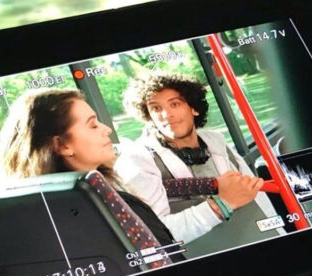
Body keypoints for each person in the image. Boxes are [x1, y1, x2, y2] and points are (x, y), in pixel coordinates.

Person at [115, 71, 282, 250]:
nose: (166, 114)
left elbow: (259, 197)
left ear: (194, 108)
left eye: (175, 104)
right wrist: (221, 204)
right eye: (156, 108)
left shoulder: (217, 143)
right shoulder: (138, 160)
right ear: (148, 116)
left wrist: (280, 232)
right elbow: (155, 234)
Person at [0, 89, 180, 249]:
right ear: (62, 145)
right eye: (93, 125)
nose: (107, 129)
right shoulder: (119, 209)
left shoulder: (20, 221)